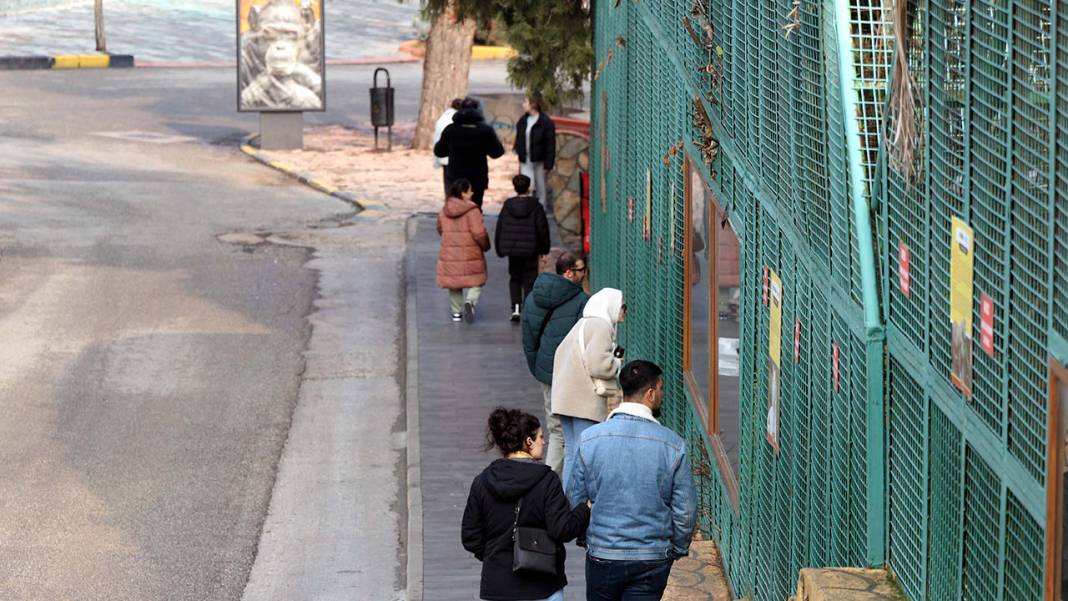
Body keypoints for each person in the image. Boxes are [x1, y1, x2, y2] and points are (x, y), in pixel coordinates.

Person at [567, 360, 697, 601]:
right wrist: (676, 548)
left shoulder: (589, 439)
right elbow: (685, 511)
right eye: (660, 389)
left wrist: (588, 538)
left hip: (603, 552)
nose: (662, 394)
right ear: (649, 394)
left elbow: (575, 498)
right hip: (651, 556)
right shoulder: (673, 445)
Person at [461, 408, 591, 601]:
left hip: (497, 586)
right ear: (528, 442)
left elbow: (470, 536)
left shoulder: (482, 481)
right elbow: (562, 530)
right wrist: (585, 509)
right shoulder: (548, 480)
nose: (544, 442)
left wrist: (494, 557)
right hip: (543, 584)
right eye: (540, 436)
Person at [551, 288, 626, 489]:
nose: (624, 312)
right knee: (585, 454)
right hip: (583, 402)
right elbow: (598, 365)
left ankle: (568, 504)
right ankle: (578, 505)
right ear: (610, 305)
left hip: (565, 398)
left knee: (572, 452)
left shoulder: (583, 324)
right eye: (622, 306)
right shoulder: (601, 326)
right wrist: (616, 364)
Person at [521, 252, 590, 474]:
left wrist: (539, 368)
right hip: (572, 375)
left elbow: (528, 339)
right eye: (581, 270)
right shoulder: (582, 301)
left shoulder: (533, 297)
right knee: (572, 431)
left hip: (546, 372)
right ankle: (553, 481)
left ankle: (547, 479)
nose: (584, 274)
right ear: (569, 273)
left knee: (555, 428)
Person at [495, 174, 551, 321]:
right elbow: (542, 229)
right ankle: (528, 307)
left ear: (515, 187)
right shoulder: (536, 206)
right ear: (529, 188)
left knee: (515, 277)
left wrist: (500, 247)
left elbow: (501, 226)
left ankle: (515, 308)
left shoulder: (508, 205)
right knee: (530, 279)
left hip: (513, 250)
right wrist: (544, 250)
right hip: (531, 249)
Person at [434, 98, 506, 210]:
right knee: (475, 208)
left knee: (456, 206)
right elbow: (497, 153)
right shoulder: (485, 130)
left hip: (456, 176)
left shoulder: (451, 130)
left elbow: (439, 151)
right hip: (477, 176)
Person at [437, 178, 490, 323]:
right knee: (477, 281)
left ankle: (456, 313)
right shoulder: (472, 211)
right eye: (470, 190)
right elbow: (479, 233)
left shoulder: (444, 210)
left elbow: (440, 229)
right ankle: (470, 302)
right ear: (463, 193)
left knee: (454, 283)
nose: (472, 193)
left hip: (450, 252)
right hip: (470, 251)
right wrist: (485, 245)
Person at [513, 97, 557, 209]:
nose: (523, 104)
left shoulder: (545, 122)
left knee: (540, 187)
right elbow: (519, 136)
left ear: (533, 104)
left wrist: (548, 164)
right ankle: (526, 210)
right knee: (526, 186)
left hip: (539, 160)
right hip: (525, 159)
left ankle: (540, 211)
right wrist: (517, 148)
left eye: (525, 102)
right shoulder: (523, 120)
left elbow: (550, 145)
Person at [432, 98, 464, 193]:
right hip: (453, 157)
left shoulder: (443, 118)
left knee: (449, 185)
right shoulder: (454, 120)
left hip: (444, 156)